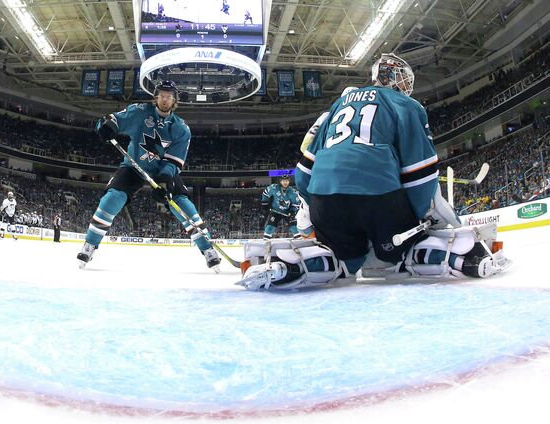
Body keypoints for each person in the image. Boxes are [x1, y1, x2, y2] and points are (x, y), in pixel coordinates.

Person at [238, 53, 507, 290]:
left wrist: (317, 210)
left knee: (344, 261)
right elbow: (420, 174)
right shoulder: (407, 105)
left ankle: (287, 266)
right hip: (376, 198)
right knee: (395, 259)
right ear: (395, 79)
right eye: (404, 79)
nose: (406, 86)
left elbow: (303, 174)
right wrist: (425, 218)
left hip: (325, 200)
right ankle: (464, 258)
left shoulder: (337, 106)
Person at [76, 80, 221, 271]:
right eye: (161, 95)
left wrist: (164, 180)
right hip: (133, 166)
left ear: (174, 100)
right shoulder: (140, 112)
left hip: (162, 172)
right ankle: (90, 245)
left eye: (169, 96)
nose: (165, 99)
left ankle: (208, 249)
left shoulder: (181, 129)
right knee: (112, 197)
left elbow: (174, 161)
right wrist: (106, 126)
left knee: (181, 203)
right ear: (156, 96)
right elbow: (110, 120)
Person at [261, 174, 300, 239]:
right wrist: (265, 203)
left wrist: (292, 212)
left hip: (287, 212)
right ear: (280, 181)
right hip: (275, 211)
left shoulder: (293, 192)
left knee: (294, 228)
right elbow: (266, 193)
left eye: (286, 181)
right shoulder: (274, 188)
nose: (285, 182)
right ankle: (266, 240)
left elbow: (296, 204)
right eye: (283, 181)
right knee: (270, 227)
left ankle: (299, 240)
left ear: (289, 181)